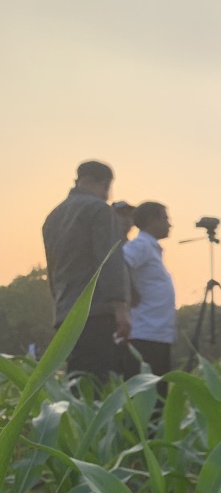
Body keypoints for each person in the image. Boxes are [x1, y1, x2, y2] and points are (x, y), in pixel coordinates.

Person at [42, 160, 131, 381]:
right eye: (107, 187)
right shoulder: (99, 210)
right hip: (95, 311)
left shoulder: (53, 216)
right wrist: (121, 309)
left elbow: (51, 270)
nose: (108, 195)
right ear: (102, 183)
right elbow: (109, 261)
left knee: (76, 379)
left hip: (65, 311)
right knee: (97, 383)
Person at [122, 201, 176, 397]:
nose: (169, 224)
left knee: (159, 392)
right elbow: (120, 264)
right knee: (148, 396)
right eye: (165, 218)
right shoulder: (141, 244)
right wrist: (129, 291)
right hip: (145, 333)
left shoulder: (151, 247)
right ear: (152, 220)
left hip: (156, 332)